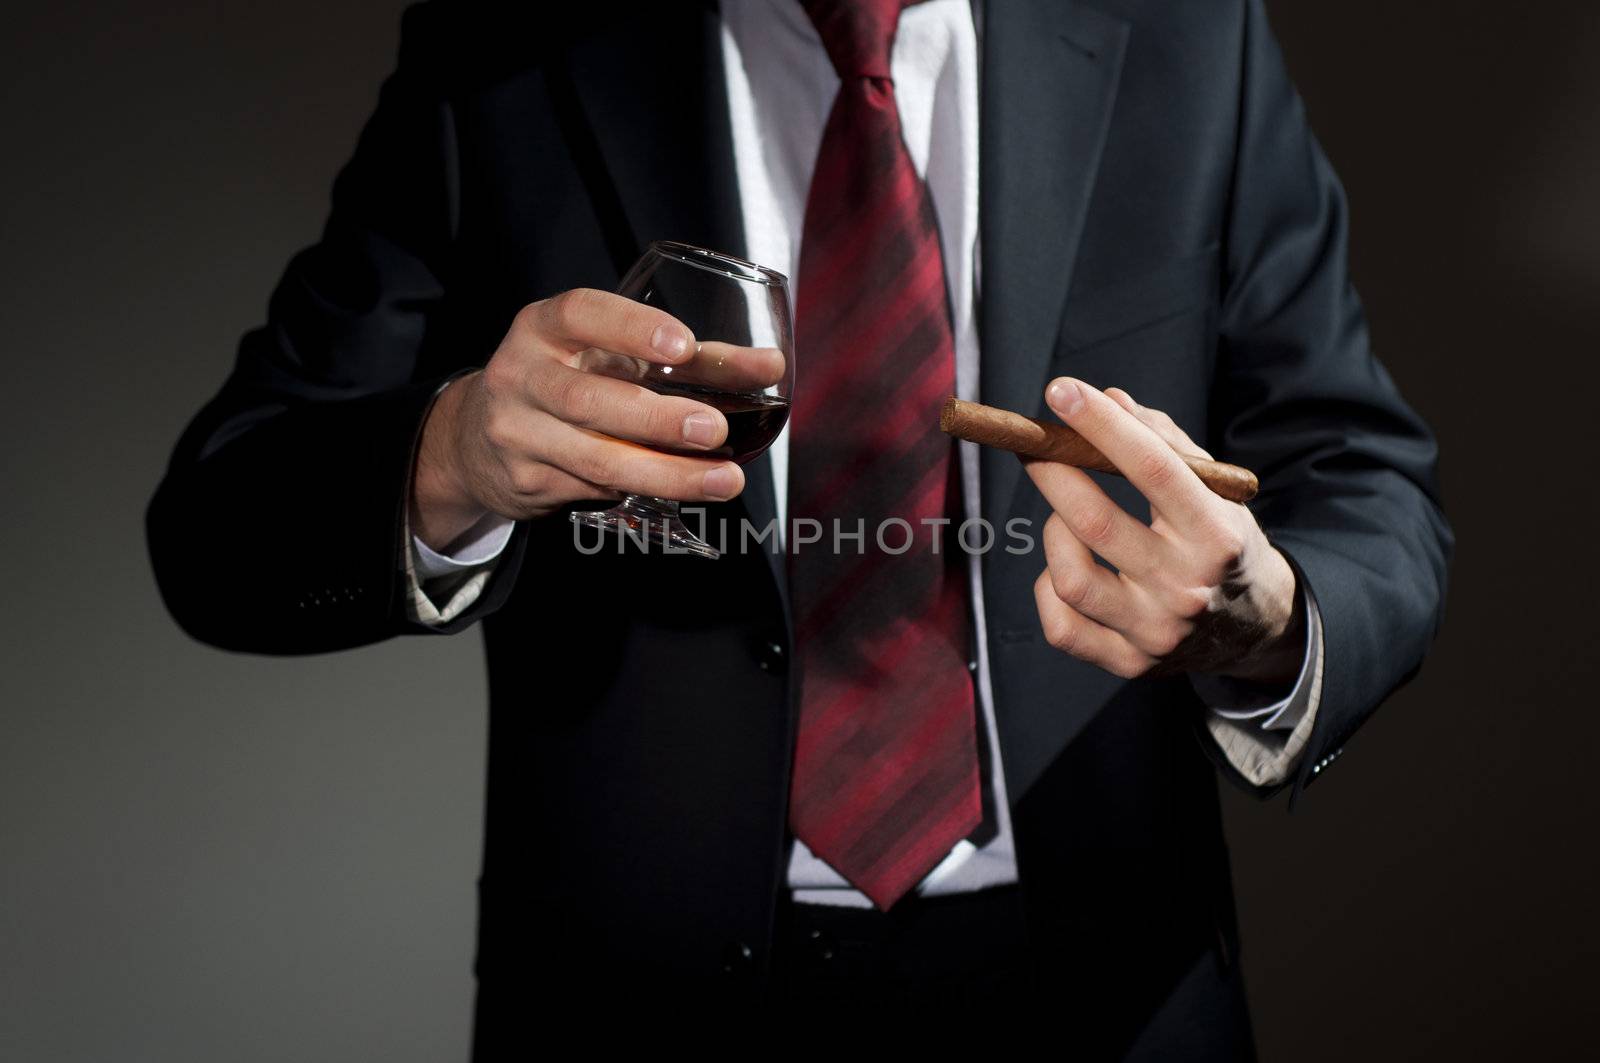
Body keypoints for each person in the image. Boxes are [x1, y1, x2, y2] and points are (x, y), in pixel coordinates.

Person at [147, 0, 1452, 1056]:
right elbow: (219, 532)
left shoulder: (1187, 31)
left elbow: (1364, 477)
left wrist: (1269, 617)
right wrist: (456, 455)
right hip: (636, 1003)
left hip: (1110, 992)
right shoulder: (503, 50)